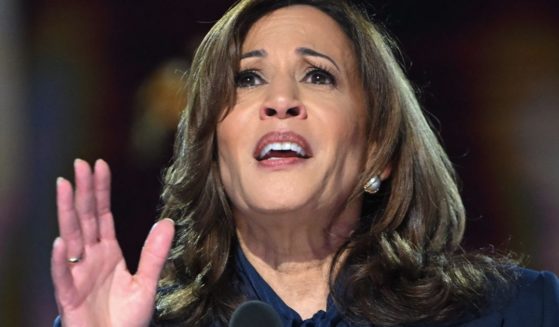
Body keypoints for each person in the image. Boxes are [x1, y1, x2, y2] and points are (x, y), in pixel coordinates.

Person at [51, 0, 559, 326]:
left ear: (377, 148)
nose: (280, 100)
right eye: (247, 78)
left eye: (318, 75)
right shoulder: (127, 322)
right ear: (213, 150)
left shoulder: (519, 311)